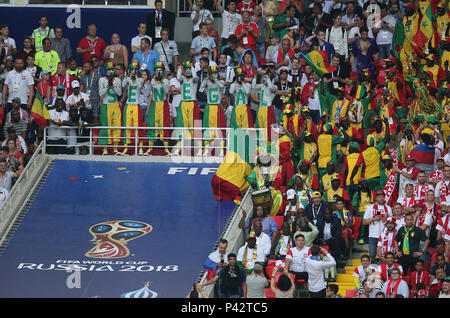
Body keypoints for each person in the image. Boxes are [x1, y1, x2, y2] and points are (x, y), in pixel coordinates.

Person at [120, 62, 146, 156]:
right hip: (128, 105)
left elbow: (139, 87)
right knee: (127, 127)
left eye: (135, 69)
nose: (133, 71)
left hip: (136, 105)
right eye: (132, 69)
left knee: (138, 127)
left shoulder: (140, 80)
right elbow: (123, 85)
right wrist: (128, 76)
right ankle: (126, 147)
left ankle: (140, 147)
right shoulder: (128, 79)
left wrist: (135, 77)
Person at [98, 62, 122, 155]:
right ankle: (105, 149)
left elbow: (119, 93)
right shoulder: (101, 80)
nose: (111, 71)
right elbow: (101, 94)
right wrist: (108, 84)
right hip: (105, 105)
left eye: (112, 69)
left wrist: (113, 85)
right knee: (105, 126)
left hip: (115, 104)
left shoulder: (118, 80)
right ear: (106, 71)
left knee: (117, 125)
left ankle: (115, 148)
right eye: (109, 70)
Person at [363, 190, 393, 260]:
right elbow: (364, 222)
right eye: (379, 197)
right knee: (372, 254)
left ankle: (383, 270)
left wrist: (387, 220)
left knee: (385, 255)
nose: (381, 198)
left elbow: (392, 223)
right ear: (376, 198)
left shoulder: (388, 208)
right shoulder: (370, 207)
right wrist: (373, 219)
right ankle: (372, 270)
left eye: (383, 196)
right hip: (373, 235)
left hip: (385, 235)